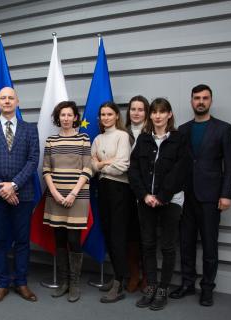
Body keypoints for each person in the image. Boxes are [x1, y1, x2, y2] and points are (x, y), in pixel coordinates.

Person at [170, 84, 231, 306]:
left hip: (211, 197)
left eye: (205, 98)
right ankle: (188, 284)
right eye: (197, 98)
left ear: (210, 101)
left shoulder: (223, 129)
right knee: (185, 243)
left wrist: (226, 194)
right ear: (191, 101)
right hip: (186, 196)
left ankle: (207, 288)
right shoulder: (183, 129)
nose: (201, 101)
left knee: (209, 245)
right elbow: (179, 164)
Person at [0, 87, 39, 304]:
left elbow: (33, 160)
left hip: (24, 194)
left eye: (10, 98)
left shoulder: (30, 129)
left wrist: (13, 185)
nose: (7, 101)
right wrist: (2, 189)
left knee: (22, 240)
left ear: (17, 102)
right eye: (3, 98)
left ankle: (21, 282)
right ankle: (2, 283)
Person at [129, 98, 188, 311]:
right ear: (150, 115)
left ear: (169, 115)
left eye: (162, 112)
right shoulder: (143, 139)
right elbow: (133, 170)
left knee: (168, 246)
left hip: (171, 200)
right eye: (154, 112)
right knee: (148, 244)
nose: (158, 116)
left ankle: (163, 289)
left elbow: (180, 170)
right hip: (145, 200)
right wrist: (145, 195)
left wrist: (162, 196)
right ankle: (151, 286)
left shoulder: (180, 139)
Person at [42, 101, 92, 302]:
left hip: (77, 197)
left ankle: (75, 284)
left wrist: (72, 194)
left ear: (75, 117)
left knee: (74, 240)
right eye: (62, 115)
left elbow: (87, 169)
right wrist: (54, 193)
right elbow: (46, 169)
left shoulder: (83, 138)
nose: (66, 118)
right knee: (60, 240)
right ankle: (64, 282)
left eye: (69, 115)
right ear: (58, 117)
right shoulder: (51, 140)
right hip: (55, 196)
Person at [91, 101, 132, 303]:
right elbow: (91, 166)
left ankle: (120, 281)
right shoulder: (98, 139)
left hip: (119, 190)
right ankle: (117, 276)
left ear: (117, 116)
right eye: (103, 114)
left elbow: (122, 166)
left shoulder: (122, 136)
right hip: (103, 190)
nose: (106, 117)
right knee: (107, 234)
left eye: (109, 114)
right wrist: (105, 163)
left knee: (118, 237)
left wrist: (101, 164)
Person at [124, 95, 150, 293]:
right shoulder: (121, 132)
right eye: (133, 109)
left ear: (146, 112)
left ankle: (148, 278)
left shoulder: (153, 133)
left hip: (146, 192)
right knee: (131, 237)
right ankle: (134, 276)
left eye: (140, 109)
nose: (136, 113)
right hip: (124, 191)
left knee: (147, 237)